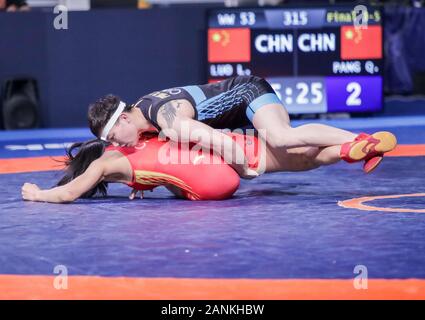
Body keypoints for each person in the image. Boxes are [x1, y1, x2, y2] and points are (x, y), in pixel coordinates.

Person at [87, 76, 392, 180]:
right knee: (298, 157)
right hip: (236, 110)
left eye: (115, 137)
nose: (121, 145)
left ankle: (362, 139)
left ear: (124, 119)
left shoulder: (170, 122)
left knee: (282, 137)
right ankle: (352, 150)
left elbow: (224, 144)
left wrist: (244, 170)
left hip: (247, 94)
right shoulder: (143, 109)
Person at [21, 129, 397, 203]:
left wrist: (39, 194)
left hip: (215, 183)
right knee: (293, 156)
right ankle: (349, 148)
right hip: (224, 146)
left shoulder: (104, 165)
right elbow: (162, 159)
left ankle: (351, 151)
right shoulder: (145, 133)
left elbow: (70, 192)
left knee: (178, 183)